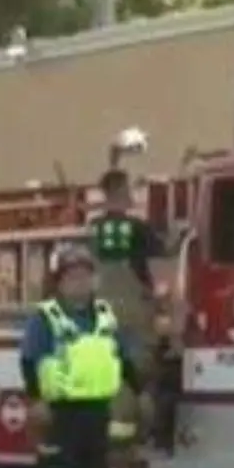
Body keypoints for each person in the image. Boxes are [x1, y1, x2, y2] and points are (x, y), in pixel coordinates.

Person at [20, 246, 144, 468]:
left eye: (85, 277)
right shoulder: (45, 318)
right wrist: (36, 400)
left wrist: (140, 390)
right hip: (62, 413)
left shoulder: (103, 314)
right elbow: (30, 360)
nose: (79, 283)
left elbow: (122, 356)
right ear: (59, 283)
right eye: (72, 278)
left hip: (96, 410)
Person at [88, 168, 167, 442]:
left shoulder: (92, 231)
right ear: (121, 192)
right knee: (144, 385)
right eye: (129, 190)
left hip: (99, 323)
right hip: (135, 321)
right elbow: (161, 276)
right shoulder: (141, 231)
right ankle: (136, 442)